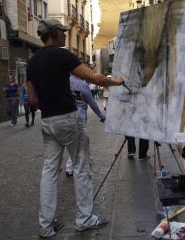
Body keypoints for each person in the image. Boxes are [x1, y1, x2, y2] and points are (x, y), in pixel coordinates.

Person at [26, 18, 124, 238]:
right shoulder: (63, 55)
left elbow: (32, 101)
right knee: (81, 166)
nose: (64, 35)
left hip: (48, 120)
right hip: (68, 118)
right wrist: (117, 80)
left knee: (50, 171)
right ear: (52, 34)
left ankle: (46, 225)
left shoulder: (32, 62)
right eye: (61, 32)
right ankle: (84, 219)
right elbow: (95, 78)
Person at [65, 74, 106, 177]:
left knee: (77, 142)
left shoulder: (64, 81)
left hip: (66, 116)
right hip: (80, 117)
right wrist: (101, 115)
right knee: (81, 142)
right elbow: (92, 102)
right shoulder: (83, 84)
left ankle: (85, 160)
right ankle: (71, 167)